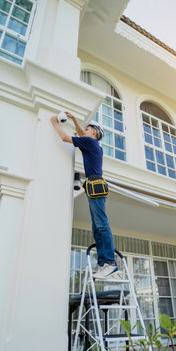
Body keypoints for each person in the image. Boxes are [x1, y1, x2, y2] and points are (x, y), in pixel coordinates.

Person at [51, 112, 118, 279]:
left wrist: (55, 123)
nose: (84, 130)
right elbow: (81, 133)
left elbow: (66, 138)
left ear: (93, 132)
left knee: (101, 225)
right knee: (97, 227)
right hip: (94, 185)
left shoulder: (89, 142)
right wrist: (74, 119)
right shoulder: (93, 144)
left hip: (95, 185)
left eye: (88, 129)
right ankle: (104, 263)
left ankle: (110, 263)